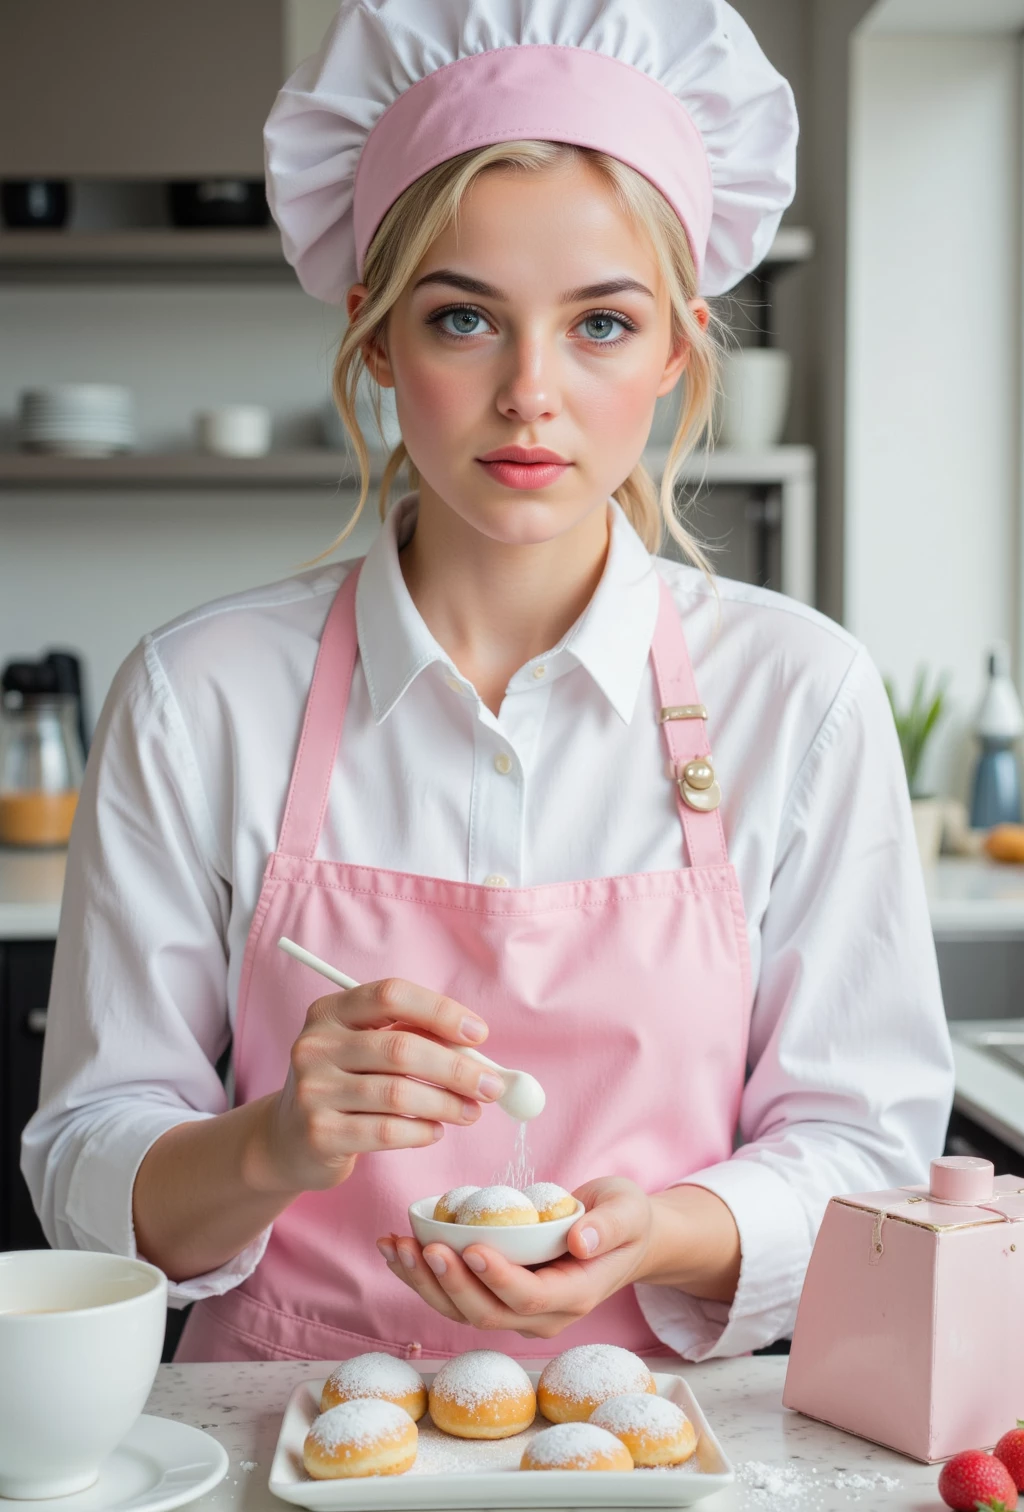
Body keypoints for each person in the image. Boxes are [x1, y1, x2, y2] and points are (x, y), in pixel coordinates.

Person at [23, 0, 954, 1364]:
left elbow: (868, 1151)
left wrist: (676, 1228)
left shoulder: (799, 694)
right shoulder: (199, 696)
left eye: (601, 325)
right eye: (465, 319)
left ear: (678, 352)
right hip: (278, 1458)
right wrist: (274, 1139)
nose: (532, 393)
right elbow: (87, 1173)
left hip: (669, 1463)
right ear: (379, 339)